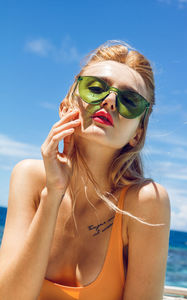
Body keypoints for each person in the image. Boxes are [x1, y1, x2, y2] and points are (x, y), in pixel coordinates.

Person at [0, 41, 171, 300]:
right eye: (95, 88)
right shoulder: (29, 178)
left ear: (138, 133)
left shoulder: (146, 201)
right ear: (66, 106)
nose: (110, 101)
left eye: (129, 100)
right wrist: (52, 194)